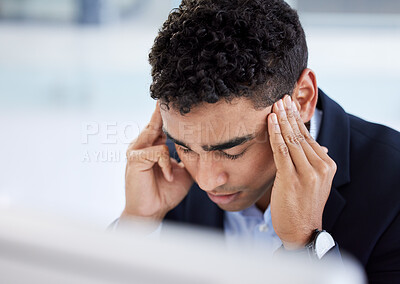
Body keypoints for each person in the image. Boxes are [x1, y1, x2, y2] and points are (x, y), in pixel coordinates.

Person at [117, 0, 400, 282]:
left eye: (231, 151)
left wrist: (306, 245)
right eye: (184, 145)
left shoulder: (392, 186)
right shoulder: (169, 172)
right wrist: (137, 224)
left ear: (301, 99)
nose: (205, 181)